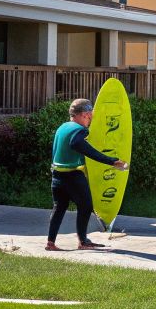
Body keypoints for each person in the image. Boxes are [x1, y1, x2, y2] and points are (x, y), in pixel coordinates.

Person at [48, 98, 129, 251]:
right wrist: (111, 161)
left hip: (57, 175)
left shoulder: (62, 127)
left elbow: (56, 151)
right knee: (85, 207)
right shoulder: (79, 130)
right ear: (85, 114)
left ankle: (50, 243)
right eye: (90, 116)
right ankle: (83, 241)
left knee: (59, 207)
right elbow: (76, 144)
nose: (90, 120)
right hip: (73, 175)